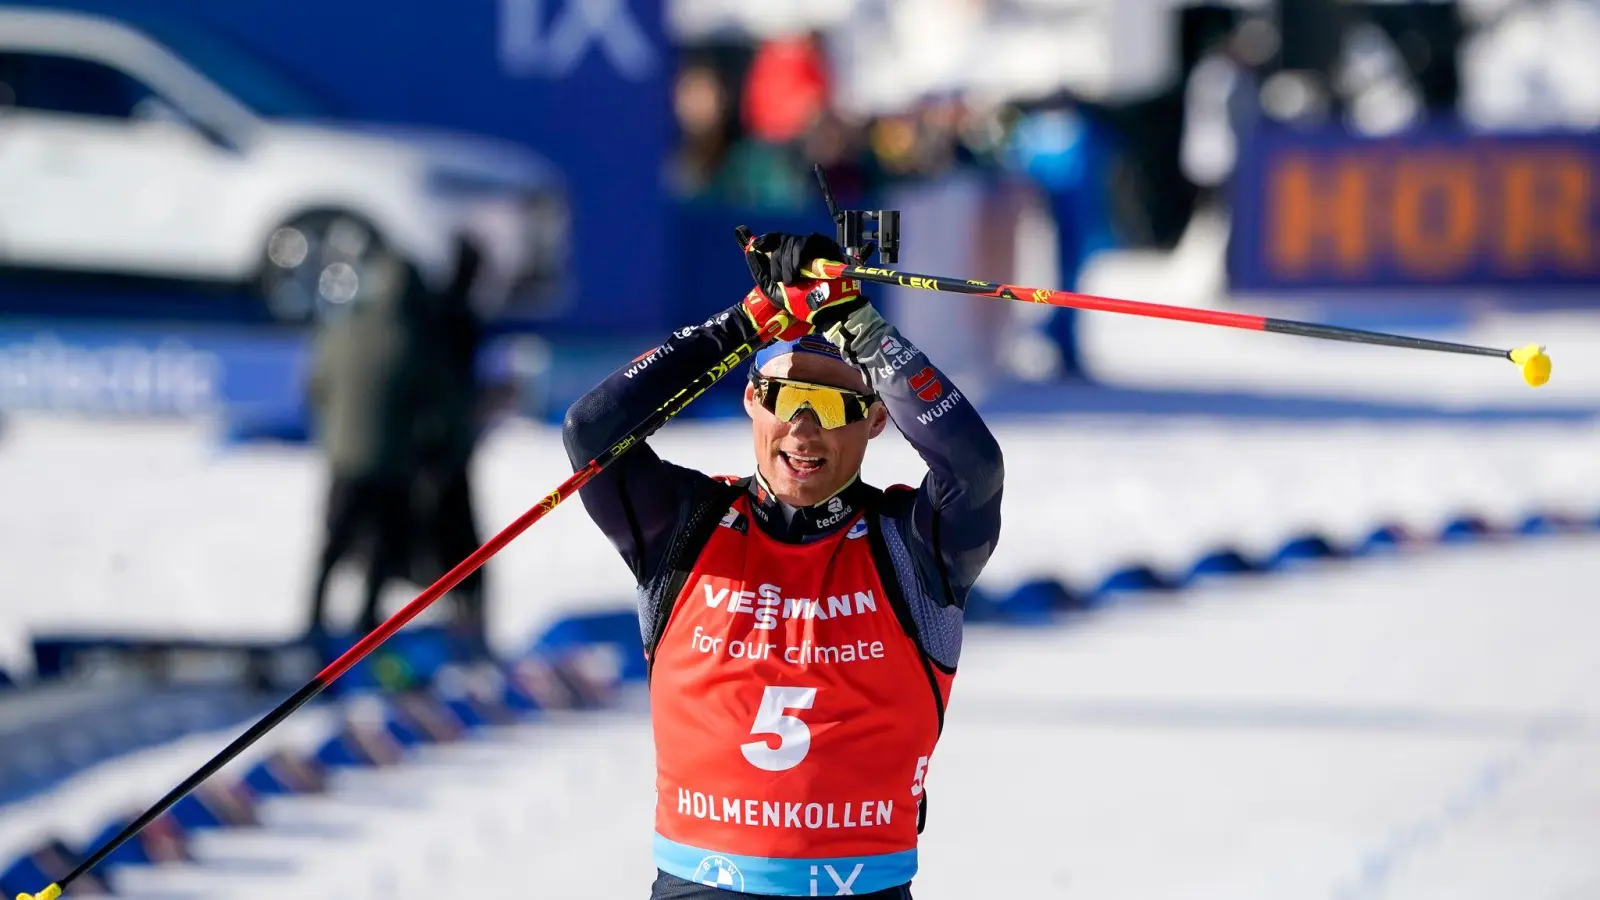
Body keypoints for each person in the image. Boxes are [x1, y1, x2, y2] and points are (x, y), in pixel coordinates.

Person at [563, 231, 1004, 898]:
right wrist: (744, 324)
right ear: (750, 399)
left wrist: (861, 328)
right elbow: (592, 430)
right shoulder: (685, 527)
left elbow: (973, 468)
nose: (801, 429)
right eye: (780, 397)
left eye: (831, 406)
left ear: (877, 419)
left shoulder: (912, 548)